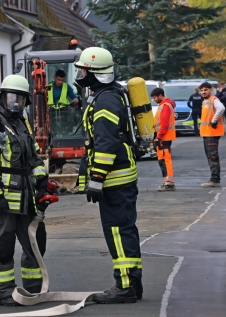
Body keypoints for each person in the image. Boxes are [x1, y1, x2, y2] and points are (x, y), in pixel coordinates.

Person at [0, 74, 49, 306]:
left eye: (20, 99)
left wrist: (41, 183)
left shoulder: (21, 124)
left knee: (36, 244)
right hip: (1, 201)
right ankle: (4, 293)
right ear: (2, 98)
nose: (16, 103)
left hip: (26, 199)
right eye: (11, 98)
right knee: (2, 249)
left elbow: (34, 159)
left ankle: (34, 290)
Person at [74, 47, 142, 304]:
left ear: (95, 73)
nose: (80, 74)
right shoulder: (110, 95)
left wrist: (97, 179)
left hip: (114, 180)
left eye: (83, 70)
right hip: (120, 178)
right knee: (125, 230)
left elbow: (106, 143)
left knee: (118, 232)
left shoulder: (106, 100)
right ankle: (133, 284)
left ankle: (124, 287)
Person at [199, 82, 225, 188]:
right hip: (206, 133)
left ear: (211, 90)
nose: (203, 92)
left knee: (213, 156)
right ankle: (213, 178)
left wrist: (214, 121)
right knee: (210, 156)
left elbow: (221, 108)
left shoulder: (213, 99)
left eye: (205, 90)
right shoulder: (205, 101)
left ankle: (215, 180)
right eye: (202, 90)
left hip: (212, 133)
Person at [150, 88, 176, 192]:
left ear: (160, 95)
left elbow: (164, 124)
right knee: (162, 160)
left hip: (163, 137)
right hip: (163, 137)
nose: (154, 99)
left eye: (155, 97)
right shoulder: (163, 105)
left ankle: (169, 183)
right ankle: (166, 182)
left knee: (165, 160)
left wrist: (159, 137)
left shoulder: (165, 106)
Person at [48, 70, 79, 134]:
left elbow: (74, 96)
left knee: (72, 110)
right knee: (46, 113)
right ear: (55, 78)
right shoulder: (49, 86)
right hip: (52, 108)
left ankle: (67, 131)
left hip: (64, 109)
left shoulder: (66, 86)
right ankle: (53, 131)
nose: (60, 82)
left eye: (62, 80)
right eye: (58, 80)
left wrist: (76, 99)